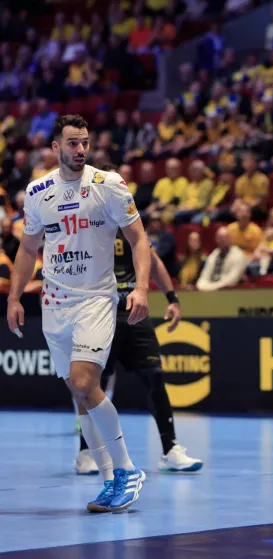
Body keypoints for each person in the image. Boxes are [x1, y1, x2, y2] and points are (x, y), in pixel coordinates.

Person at [6, 115, 151, 513]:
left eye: (84, 142)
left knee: (86, 380)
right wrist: (15, 297)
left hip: (96, 299)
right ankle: (108, 480)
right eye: (72, 143)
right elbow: (27, 249)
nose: (80, 149)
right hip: (55, 302)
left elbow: (139, 239)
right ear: (55, 147)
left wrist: (140, 288)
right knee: (78, 392)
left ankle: (126, 470)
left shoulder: (110, 185)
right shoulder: (38, 192)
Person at [74, 163, 203, 476]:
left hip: (132, 309)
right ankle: (86, 452)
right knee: (92, 384)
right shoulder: (81, 220)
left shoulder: (129, 218)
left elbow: (153, 259)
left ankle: (171, 449)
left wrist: (172, 299)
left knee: (154, 376)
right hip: (96, 311)